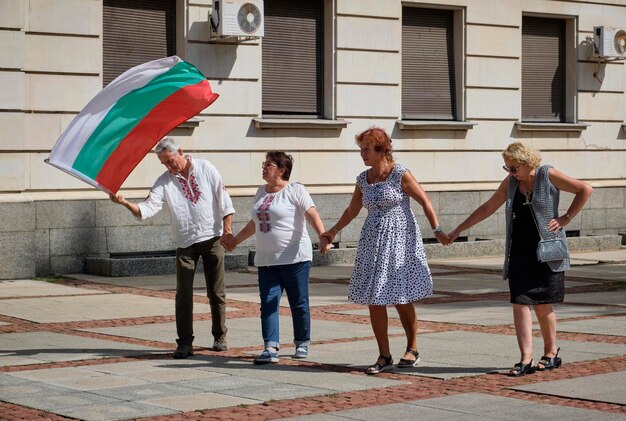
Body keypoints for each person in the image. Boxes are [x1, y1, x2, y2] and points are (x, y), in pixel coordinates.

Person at [448, 142, 592, 376]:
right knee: (520, 303)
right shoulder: (512, 183)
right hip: (519, 251)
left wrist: (566, 217)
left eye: (513, 168)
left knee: (544, 304)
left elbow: (585, 189)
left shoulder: (548, 175)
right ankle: (525, 358)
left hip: (547, 251)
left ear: (527, 164)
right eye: (507, 168)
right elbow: (487, 208)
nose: (510, 173)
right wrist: (458, 230)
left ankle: (551, 353)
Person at [320, 127, 449, 375]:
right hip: (372, 241)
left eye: (366, 149)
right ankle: (384, 354)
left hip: (399, 239)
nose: (362, 154)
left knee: (400, 297)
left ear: (381, 149)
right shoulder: (363, 179)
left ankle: (412, 348)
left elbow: (425, 200)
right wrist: (332, 232)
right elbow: (352, 211)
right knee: (374, 297)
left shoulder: (400, 174)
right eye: (361, 149)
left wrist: (437, 229)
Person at [110, 137, 235, 359]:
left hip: (212, 237)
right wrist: (125, 203)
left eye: (170, 161)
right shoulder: (164, 181)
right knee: (183, 294)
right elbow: (148, 208)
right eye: (164, 164)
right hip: (185, 242)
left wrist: (227, 229)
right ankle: (185, 342)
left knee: (216, 292)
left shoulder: (206, 168)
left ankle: (220, 335)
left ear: (181, 152)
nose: (169, 167)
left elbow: (224, 199)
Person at [222, 151, 331, 364]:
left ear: (282, 170)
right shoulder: (261, 192)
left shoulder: (296, 190)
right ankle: (270, 347)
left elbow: (311, 214)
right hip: (267, 260)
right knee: (269, 303)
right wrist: (236, 240)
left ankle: (302, 342)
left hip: (295, 258)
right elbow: (256, 222)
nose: (263, 167)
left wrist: (323, 236)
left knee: (298, 302)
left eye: (269, 164)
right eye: (264, 164)